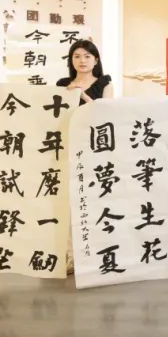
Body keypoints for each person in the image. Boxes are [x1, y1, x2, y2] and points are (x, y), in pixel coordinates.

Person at [56, 39, 112, 274]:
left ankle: (94, 254)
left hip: (95, 149)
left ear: (95, 60)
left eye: (87, 56)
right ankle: (70, 256)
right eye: (77, 56)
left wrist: (82, 95)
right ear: (71, 60)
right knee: (68, 203)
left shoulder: (104, 82)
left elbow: (106, 114)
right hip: (67, 147)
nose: (82, 60)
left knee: (94, 200)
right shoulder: (62, 84)